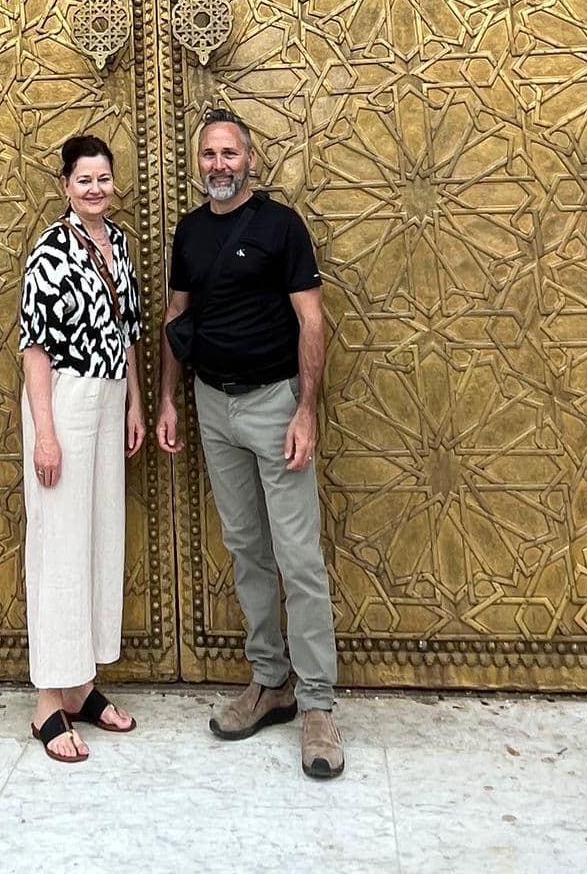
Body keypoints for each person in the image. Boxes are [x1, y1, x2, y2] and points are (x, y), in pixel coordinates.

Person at [156, 111, 344, 779]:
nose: (218, 163)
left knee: (298, 556)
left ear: (251, 158)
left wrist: (305, 411)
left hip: (274, 404)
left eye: (228, 152)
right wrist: (170, 400)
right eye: (208, 153)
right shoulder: (189, 231)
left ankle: (318, 705)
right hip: (214, 405)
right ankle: (271, 682)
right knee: (245, 548)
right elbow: (178, 315)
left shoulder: (280, 227)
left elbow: (311, 321)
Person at [19, 132, 145, 761]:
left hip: (109, 395)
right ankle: (48, 701)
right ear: (66, 185)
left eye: (103, 179)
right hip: (64, 402)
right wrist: (45, 432)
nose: (95, 189)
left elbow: (128, 333)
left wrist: (135, 403)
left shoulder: (117, 244)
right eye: (83, 180)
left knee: (98, 539)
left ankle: (82, 686)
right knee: (59, 544)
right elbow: (34, 347)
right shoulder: (51, 248)